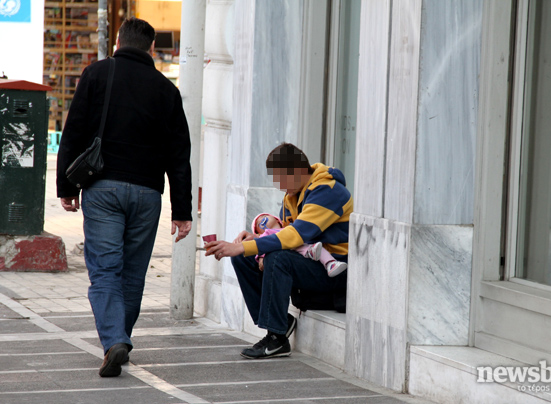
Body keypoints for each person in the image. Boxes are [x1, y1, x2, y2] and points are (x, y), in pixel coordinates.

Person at [56, 17, 192, 377]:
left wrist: (66, 188)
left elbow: (74, 131)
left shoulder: (97, 73)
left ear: (117, 42)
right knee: (132, 275)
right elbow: (179, 154)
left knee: (104, 271)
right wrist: (182, 211)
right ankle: (120, 340)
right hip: (148, 194)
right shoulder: (167, 90)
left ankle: (114, 339)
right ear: (151, 49)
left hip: (103, 189)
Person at [205, 143, 352, 359]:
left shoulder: (328, 191)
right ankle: (282, 320)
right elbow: (282, 231)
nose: (280, 186)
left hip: (335, 271)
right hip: (311, 262)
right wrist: (255, 239)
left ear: (300, 171)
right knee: (244, 259)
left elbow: (296, 235)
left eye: (282, 178)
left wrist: (242, 247)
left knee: (276, 258)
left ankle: (277, 338)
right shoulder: (294, 193)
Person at [252, 213, 347, 277]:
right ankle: (311, 253)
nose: (260, 221)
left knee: (317, 248)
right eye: (257, 224)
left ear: (277, 220)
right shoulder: (267, 234)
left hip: (301, 245)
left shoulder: (289, 227)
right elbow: (261, 245)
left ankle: (331, 263)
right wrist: (261, 257)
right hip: (290, 251)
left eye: (264, 217)